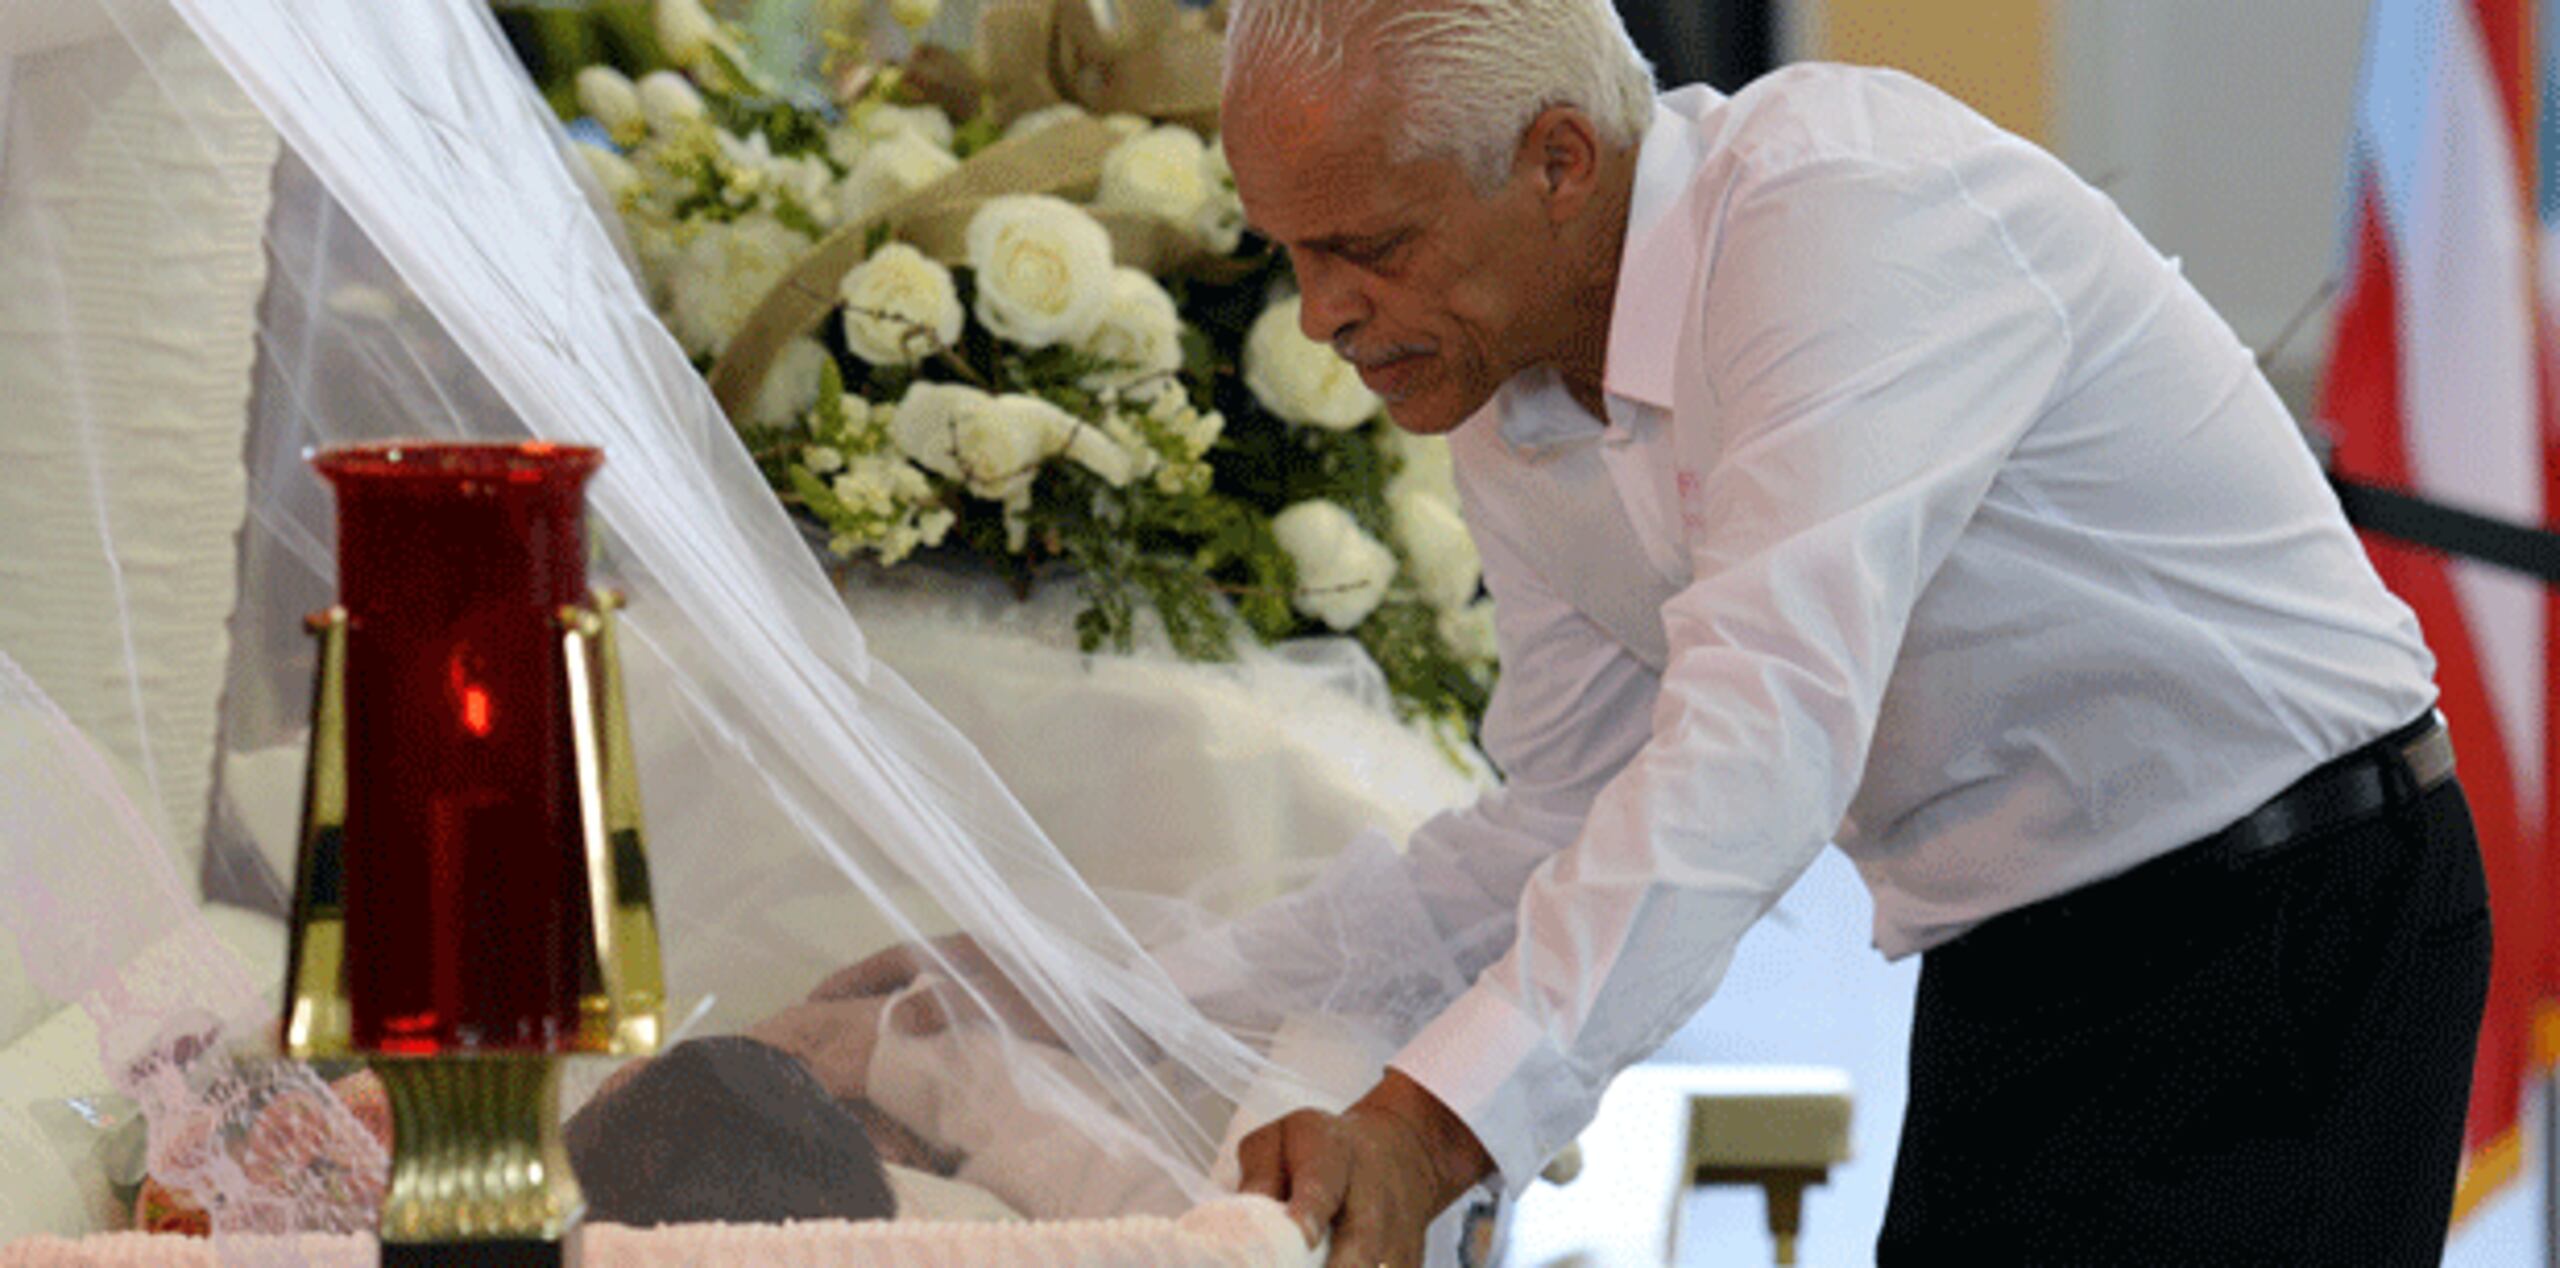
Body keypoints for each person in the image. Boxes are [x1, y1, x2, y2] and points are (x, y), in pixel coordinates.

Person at [844, 1, 2494, 1263]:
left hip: (2288, 909)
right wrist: (1084, 999)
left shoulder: (1837, 216)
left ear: (1559, 159)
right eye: (1294, 252)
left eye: (1372, 243)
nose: (1323, 311)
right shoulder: (1508, 390)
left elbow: (1755, 751)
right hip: (2030, 960)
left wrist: (1433, 1132)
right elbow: (1547, 831)